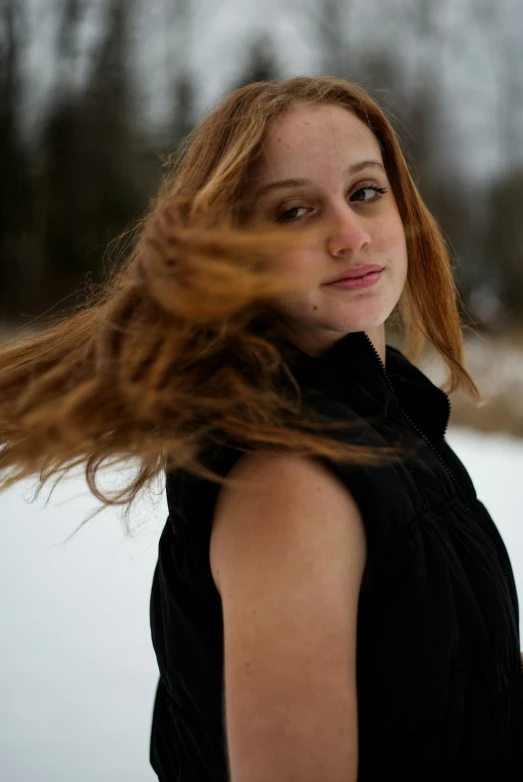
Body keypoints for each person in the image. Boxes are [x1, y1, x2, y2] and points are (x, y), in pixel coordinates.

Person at [0, 75, 522, 780]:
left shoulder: (389, 413)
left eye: (364, 191)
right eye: (294, 211)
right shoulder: (289, 485)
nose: (349, 233)